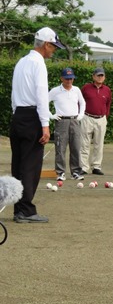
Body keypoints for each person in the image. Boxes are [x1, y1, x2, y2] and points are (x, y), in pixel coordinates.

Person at [10, 27, 64, 223]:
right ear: (46, 44)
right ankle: (26, 210)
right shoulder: (38, 64)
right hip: (32, 116)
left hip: (18, 115)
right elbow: (42, 96)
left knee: (18, 165)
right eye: (53, 47)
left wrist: (16, 115)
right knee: (31, 166)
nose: (54, 51)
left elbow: (14, 94)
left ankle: (19, 207)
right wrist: (45, 124)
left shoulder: (21, 62)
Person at [49, 68, 86, 181]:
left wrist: (81, 114)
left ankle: (76, 172)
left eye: (71, 78)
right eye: (67, 78)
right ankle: (60, 172)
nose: (69, 81)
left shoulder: (76, 90)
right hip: (61, 121)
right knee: (60, 147)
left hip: (74, 120)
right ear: (62, 78)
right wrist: (51, 115)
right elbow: (43, 102)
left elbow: (82, 102)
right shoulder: (55, 91)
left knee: (76, 147)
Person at [80, 67, 112, 175]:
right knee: (84, 143)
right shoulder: (86, 88)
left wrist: (105, 116)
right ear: (93, 76)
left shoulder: (107, 90)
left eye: (102, 75)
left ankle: (96, 166)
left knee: (99, 144)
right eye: (98, 75)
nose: (100, 77)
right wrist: (80, 115)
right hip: (87, 117)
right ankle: (84, 167)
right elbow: (79, 102)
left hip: (101, 119)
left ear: (104, 77)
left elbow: (108, 104)